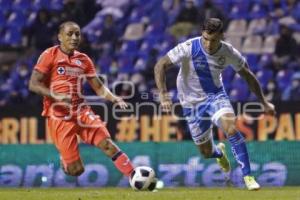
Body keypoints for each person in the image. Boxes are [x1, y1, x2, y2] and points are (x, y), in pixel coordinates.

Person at [154, 18, 276, 190]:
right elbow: (160, 65)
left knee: (231, 128)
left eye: (213, 40)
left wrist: (264, 102)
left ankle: (248, 176)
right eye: (206, 38)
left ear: (221, 36)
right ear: (202, 34)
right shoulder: (188, 47)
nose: (209, 44)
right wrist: (164, 94)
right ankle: (219, 153)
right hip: (191, 104)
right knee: (206, 153)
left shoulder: (228, 52)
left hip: (215, 96)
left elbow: (248, 75)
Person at [28, 21, 134, 177]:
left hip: (82, 111)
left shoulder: (84, 60)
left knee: (107, 144)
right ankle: (65, 158)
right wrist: (56, 96)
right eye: (69, 34)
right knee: (76, 171)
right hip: (60, 116)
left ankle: (133, 175)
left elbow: (98, 87)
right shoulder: (48, 55)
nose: (74, 37)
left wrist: (114, 98)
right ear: (60, 37)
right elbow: (33, 84)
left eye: (77, 34)